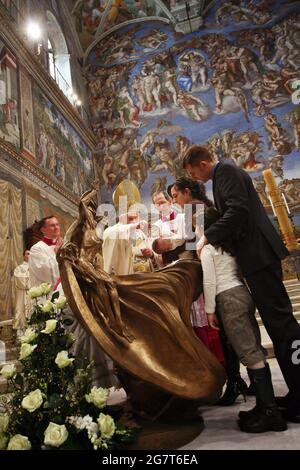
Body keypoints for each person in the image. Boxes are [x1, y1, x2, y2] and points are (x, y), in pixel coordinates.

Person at [182, 144, 300, 426]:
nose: (194, 178)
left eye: (192, 172)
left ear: (203, 163)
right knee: (276, 324)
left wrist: (207, 236)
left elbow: (238, 210)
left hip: (259, 254)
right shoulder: (223, 176)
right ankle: (296, 394)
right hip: (255, 257)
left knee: (282, 324)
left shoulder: (226, 173)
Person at [201, 207, 286, 433]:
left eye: (197, 223)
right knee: (253, 348)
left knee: (248, 352)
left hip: (227, 298)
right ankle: (263, 406)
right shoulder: (229, 246)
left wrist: (210, 310)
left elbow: (209, 283)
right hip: (242, 294)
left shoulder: (208, 250)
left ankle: (270, 412)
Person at [29, 215, 116, 388]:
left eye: (57, 225)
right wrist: (58, 255)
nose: (56, 228)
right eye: (52, 226)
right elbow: (45, 271)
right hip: (53, 297)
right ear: (43, 230)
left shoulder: (65, 243)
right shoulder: (37, 249)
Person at [13, 250, 32, 336]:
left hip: (32, 296)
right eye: (27, 254)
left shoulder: (36, 268)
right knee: (21, 312)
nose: (29, 255)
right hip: (22, 295)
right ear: (23, 256)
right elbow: (20, 281)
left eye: (31, 254)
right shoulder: (19, 268)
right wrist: (29, 274)